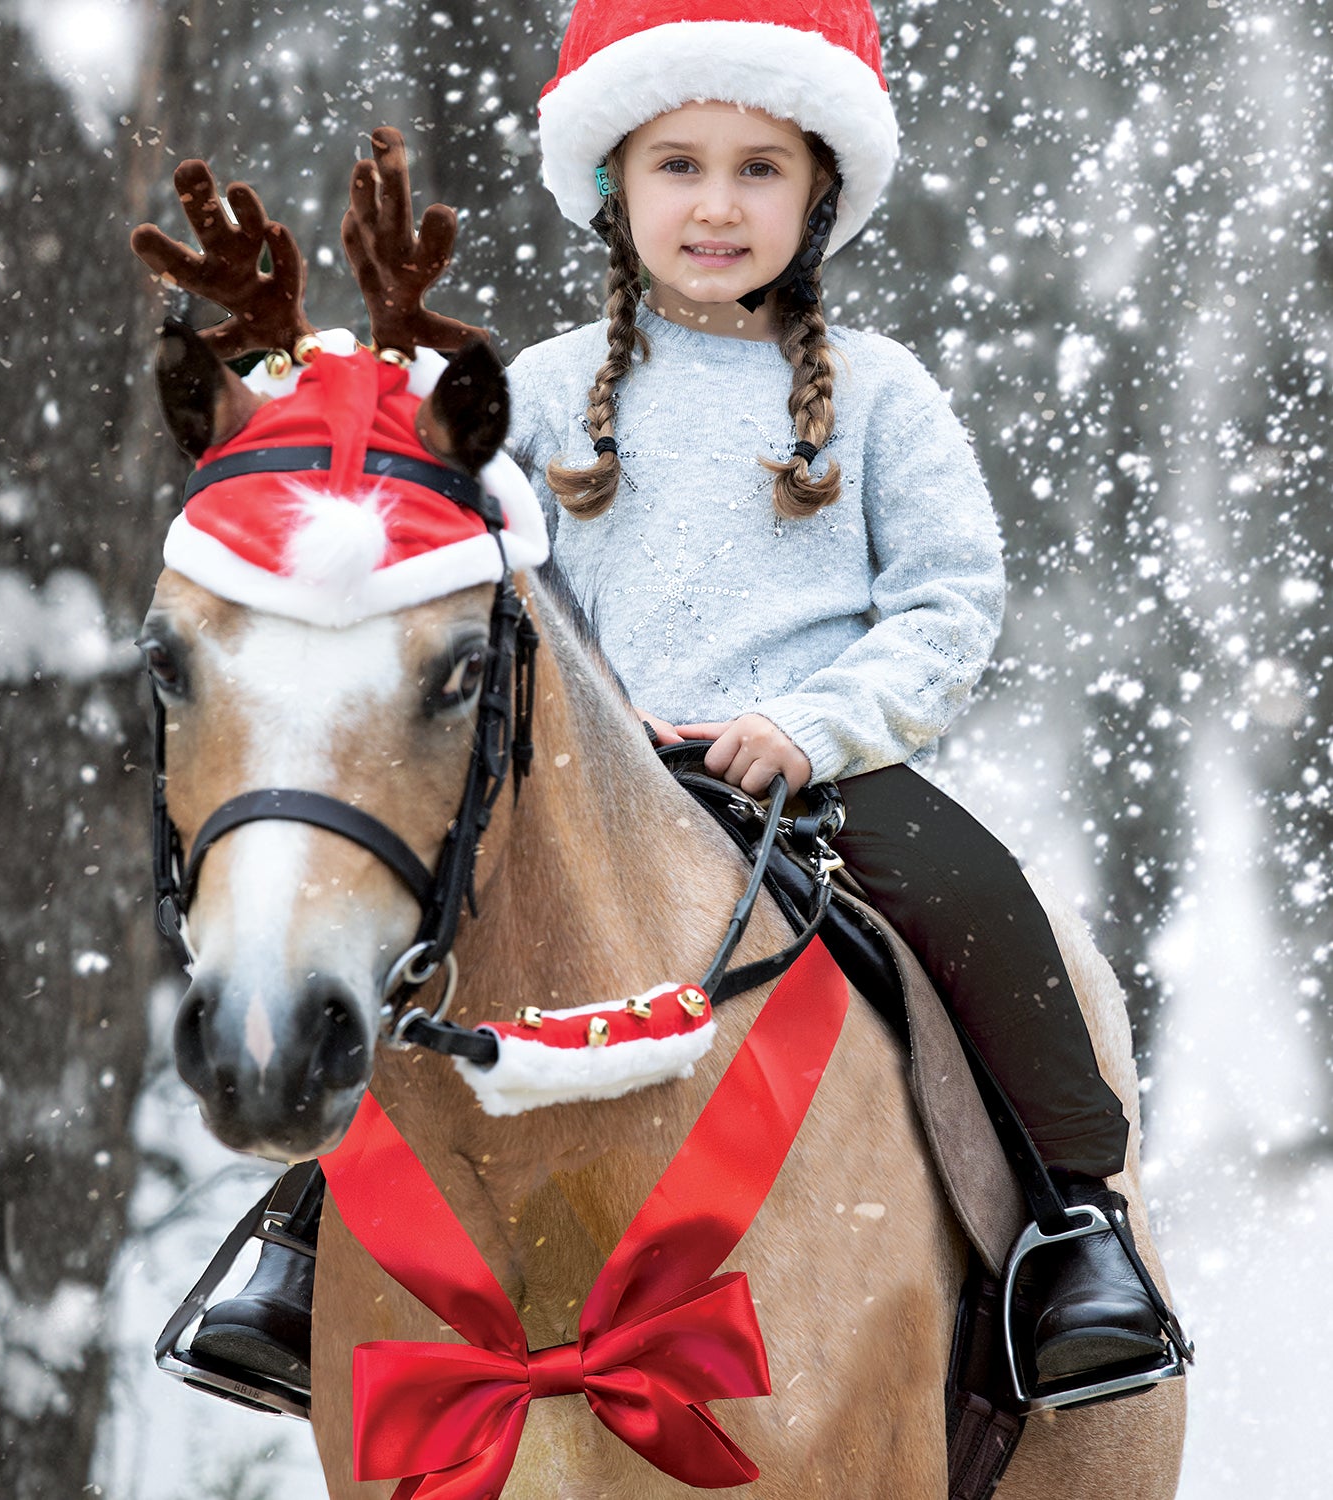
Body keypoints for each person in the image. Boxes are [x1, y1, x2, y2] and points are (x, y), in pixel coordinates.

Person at [187, 0, 1168, 1404]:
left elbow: (951, 608)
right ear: (612, 186)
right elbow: (463, 581)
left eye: (760, 167)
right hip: (575, 785)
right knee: (418, 927)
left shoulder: (883, 397)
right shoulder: (532, 392)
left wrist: (813, 723)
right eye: (679, 165)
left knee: (979, 898)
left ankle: (1076, 1226)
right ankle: (313, 1233)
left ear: (821, 189)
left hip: (815, 785)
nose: (718, 205)